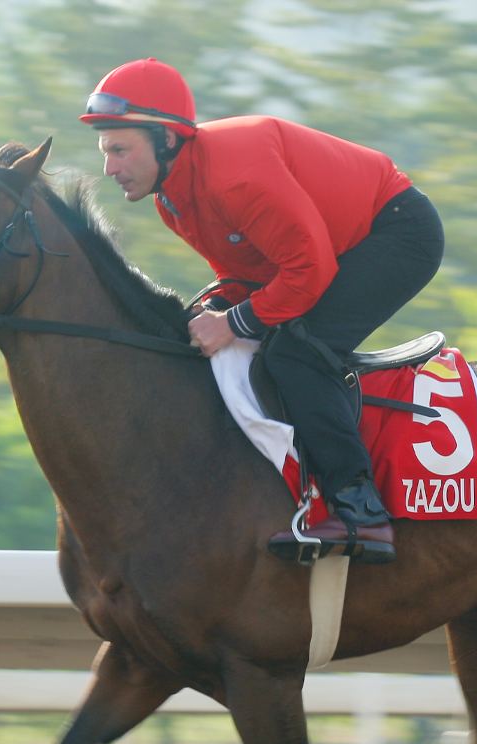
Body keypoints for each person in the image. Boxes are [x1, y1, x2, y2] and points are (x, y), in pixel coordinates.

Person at [80, 58, 445, 564]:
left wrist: (231, 322)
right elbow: (247, 274)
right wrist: (217, 307)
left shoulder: (234, 179)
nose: (109, 168)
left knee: (294, 354)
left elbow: (307, 274)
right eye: (105, 152)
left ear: (166, 140)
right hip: (334, 248)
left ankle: (362, 514)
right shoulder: (173, 201)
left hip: (397, 233)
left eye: (120, 150)